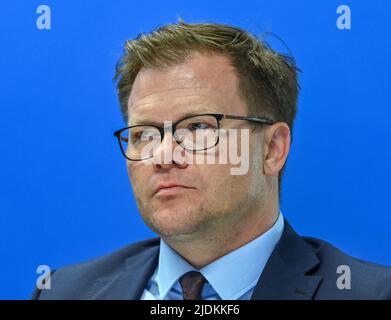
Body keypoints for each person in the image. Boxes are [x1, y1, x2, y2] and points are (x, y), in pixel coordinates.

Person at [32, 21, 391, 300]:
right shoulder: (62, 290)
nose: (163, 155)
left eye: (198, 127)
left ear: (272, 149)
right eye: (144, 133)